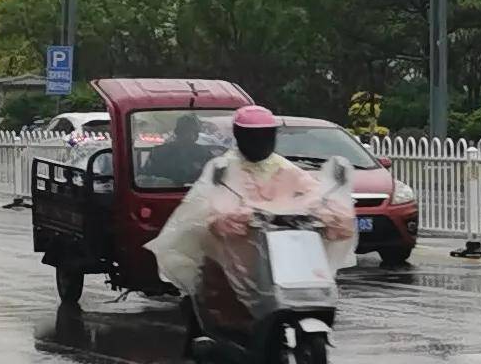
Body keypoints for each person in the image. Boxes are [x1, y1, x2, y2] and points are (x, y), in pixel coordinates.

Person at [149, 106, 350, 326]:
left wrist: (329, 212)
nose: (260, 142)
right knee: (219, 292)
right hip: (236, 257)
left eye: (266, 136)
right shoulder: (223, 168)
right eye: (253, 136)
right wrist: (222, 218)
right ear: (239, 136)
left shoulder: (284, 168)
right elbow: (201, 208)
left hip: (281, 255)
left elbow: (311, 193)